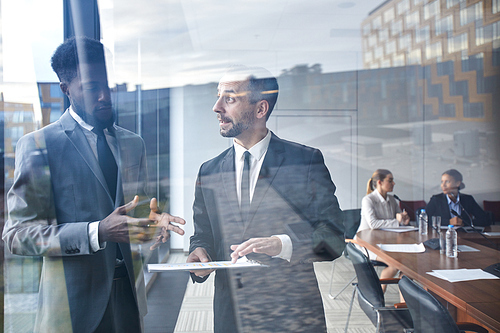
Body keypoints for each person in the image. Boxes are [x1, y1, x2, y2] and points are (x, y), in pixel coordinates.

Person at [2, 37, 185, 333]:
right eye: (91, 88)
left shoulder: (133, 144)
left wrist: (153, 222)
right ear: (66, 89)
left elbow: (138, 212)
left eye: (107, 85)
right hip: (72, 310)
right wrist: (96, 231)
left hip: (130, 300)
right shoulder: (39, 146)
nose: (104, 96)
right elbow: (17, 235)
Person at [187, 66, 344, 332]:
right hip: (231, 314)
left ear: (260, 109)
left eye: (230, 98)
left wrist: (283, 245)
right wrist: (199, 255)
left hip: (292, 314)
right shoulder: (209, 171)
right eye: (218, 97)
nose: (216, 107)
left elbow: (334, 239)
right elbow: (204, 235)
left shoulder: (305, 162)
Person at [357, 169, 410, 292]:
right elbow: (373, 224)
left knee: (406, 264)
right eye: (390, 180)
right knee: (396, 263)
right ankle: (380, 295)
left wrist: (403, 220)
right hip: (368, 244)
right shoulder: (368, 200)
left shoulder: (392, 200)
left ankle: (404, 304)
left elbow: (398, 219)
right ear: (380, 182)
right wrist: (397, 221)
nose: (394, 183)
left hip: (386, 242)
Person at [426, 169, 490, 227]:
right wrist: (448, 222)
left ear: (457, 183)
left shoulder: (468, 199)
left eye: (447, 182)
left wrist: (464, 222)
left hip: (464, 235)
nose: (443, 185)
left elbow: (485, 220)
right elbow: (424, 219)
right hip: (443, 235)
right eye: (442, 182)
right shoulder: (436, 199)